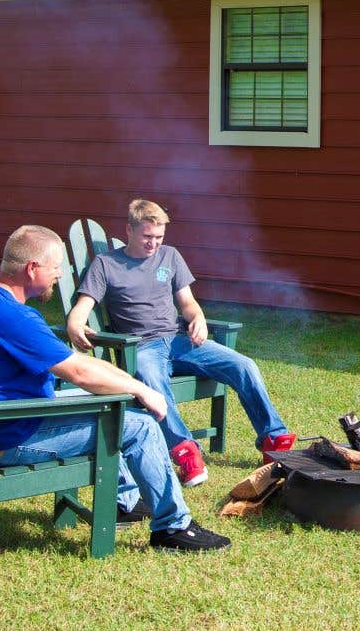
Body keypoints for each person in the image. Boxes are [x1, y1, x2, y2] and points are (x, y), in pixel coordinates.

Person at [0, 224, 230, 553]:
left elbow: (74, 361)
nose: (58, 275)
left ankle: (126, 502)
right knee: (140, 427)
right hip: (12, 438)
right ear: (32, 269)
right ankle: (173, 528)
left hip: (1, 424)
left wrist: (133, 384)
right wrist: (144, 391)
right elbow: (78, 372)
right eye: (55, 268)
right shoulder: (12, 316)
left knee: (118, 407)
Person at [67, 199, 294, 488]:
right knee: (151, 380)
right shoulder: (107, 264)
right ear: (129, 230)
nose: (153, 244)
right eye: (147, 236)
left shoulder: (170, 256)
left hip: (179, 341)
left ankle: (274, 440)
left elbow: (187, 302)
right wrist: (75, 324)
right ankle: (186, 453)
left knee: (243, 365)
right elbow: (83, 307)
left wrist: (198, 318)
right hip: (142, 346)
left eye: (159, 237)